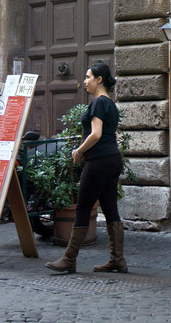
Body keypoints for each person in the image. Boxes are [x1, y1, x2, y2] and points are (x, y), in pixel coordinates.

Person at [46, 62, 127, 274]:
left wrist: (79, 151)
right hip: (112, 159)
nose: (85, 81)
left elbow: (96, 134)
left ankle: (69, 259)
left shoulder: (99, 103)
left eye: (88, 76)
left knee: (82, 207)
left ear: (99, 79)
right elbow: (113, 135)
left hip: (99, 160)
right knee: (110, 208)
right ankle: (117, 260)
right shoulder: (111, 104)